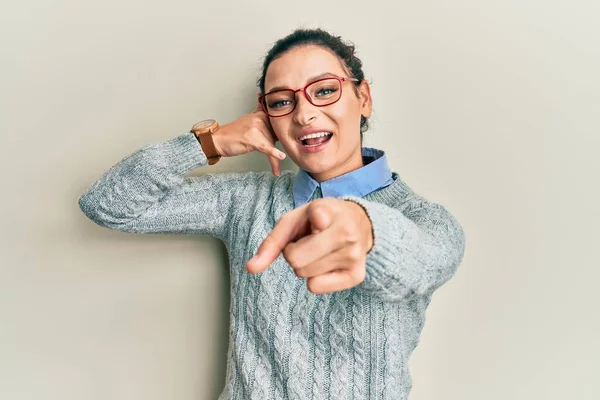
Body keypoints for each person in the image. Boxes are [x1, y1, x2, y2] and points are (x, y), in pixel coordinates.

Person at [78, 28, 466, 400]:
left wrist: (365, 228)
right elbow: (109, 204)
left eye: (326, 91)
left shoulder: (424, 220)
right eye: (283, 101)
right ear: (266, 117)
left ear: (363, 97)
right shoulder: (245, 200)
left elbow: (421, 261)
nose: (304, 114)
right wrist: (207, 143)